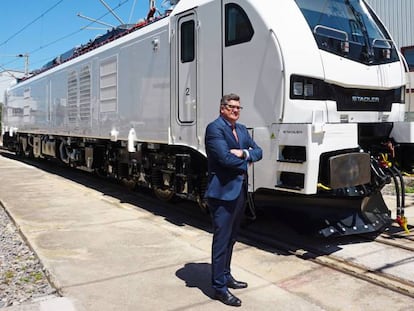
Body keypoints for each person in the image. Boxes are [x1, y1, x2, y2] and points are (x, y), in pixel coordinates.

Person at [204, 93, 263, 307]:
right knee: (221, 239)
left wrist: (243, 154)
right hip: (221, 194)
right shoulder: (214, 128)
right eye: (231, 107)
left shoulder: (241, 129)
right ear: (222, 108)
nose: (235, 110)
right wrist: (244, 160)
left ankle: (226, 275)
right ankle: (219, 288)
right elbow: (223, 158)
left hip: (239, 192)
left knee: (231, 238)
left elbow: (259, 152)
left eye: (238, 107)